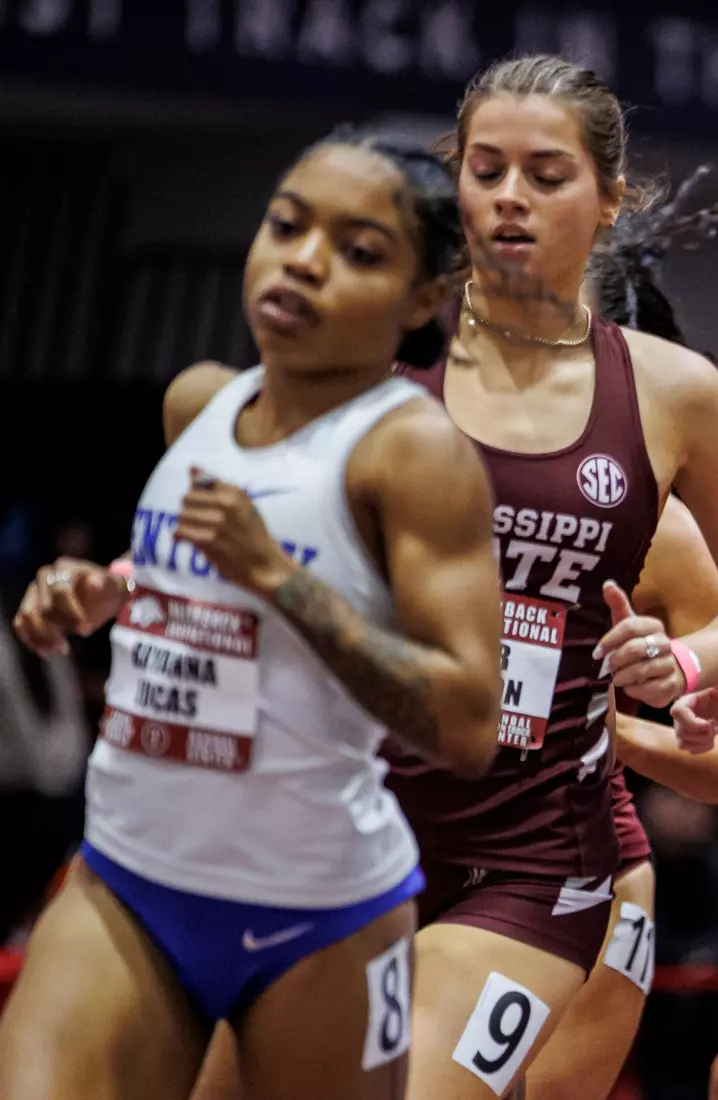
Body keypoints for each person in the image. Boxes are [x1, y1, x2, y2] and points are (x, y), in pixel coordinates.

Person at [0, 127, 503, 1100]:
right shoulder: (197, 401)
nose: (302, 262)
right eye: (286, 225)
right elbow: (198, 586)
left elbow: (465, 720)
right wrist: (105, 591)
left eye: (359, 252)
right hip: (128, 874)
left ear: (422, 301)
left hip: (319, 914)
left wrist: (278, 576)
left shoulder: (411, 454)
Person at [380, 54, 718, 1100]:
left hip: (549, 861)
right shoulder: (378, 369)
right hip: (354, 831)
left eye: (545, 171)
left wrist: (696, 672)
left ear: (608, 198)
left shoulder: (665, 410)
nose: (510, 196)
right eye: (486, 169)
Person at [523, 178, 718, 1100]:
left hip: (585, 872)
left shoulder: (663, 533)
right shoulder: (414, 464)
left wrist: (606, 730)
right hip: (404, 846)